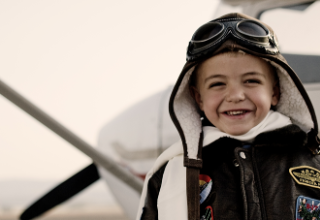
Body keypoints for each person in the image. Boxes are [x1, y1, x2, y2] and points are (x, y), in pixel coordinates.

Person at [136, 13, 320, 220]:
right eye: (217, 84)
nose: (235, 96)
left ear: (275, 92)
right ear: (198, 99)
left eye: (251, 81)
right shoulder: (169, 173)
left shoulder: (314, 159)